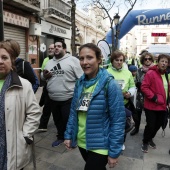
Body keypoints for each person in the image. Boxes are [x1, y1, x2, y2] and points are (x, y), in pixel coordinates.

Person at [64, 43, 126, 170]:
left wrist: (114, 151)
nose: (84, 62)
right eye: (81, 58)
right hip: (82, 141)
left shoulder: (110, 84)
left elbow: (118, 121)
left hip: (100, 145)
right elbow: (73, 112)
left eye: (89, 57)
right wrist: (69, 134)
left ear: (99, 59)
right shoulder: (80, 83)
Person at [0, 40, 41, 169]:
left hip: (13, 145)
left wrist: (25, 135)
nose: (0, 61)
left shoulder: (24, 85)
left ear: (12, 60)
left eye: (4, 57)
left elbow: (34, 113)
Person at [41, 40, 83, 147]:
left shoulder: (73, 60)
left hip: (68, 98)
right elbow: (42, 77)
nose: (56, 48)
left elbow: (81, 78)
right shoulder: (49, 62)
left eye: (59, 46)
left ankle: (71, 139)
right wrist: (44, 76)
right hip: (53, 98)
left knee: (68, 120)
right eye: (55, 46)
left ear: (64, 49)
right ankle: (60, 137)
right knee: (57, 120)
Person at [107, 50, 136, 150]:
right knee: (111, 125)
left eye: (121, 60)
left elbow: (133, 86)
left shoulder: (127, 73)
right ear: (112, 61)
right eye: (116, 60)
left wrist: (129, 93)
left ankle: (121, 142)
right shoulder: (106, 72)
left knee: (122, 126)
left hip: (124, 104)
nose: (119, 62)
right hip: (110, 105)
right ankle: (110, 141)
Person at [141, 54, 169, 153]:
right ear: (158, 62)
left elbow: (167, 89)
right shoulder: (151, 73)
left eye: (166, 62)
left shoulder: (166, 74)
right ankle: (145, 141)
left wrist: (168, 101)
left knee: (159, 125)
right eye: (162, 61)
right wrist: (154, 97)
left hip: (162, 106)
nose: (164, 63)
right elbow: (144, 87)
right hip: (151, 105)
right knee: (151, 125)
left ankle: (150, 138)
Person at [130, 52, 154, 136]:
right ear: (142, 60)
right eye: (145, 59)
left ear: (152, 60)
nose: (147, 60)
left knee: (150, 116)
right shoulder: (139, 70)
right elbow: (135, 81)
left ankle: (148, 133)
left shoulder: (155, 70)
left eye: (149, 59)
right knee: (137, 113)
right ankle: (136, 128)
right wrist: (137, 84)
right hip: (140, 95)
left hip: (150, 96)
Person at [38, 44, 55, 132]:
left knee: (57, 107)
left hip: (59, 88)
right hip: (48, 86)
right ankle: (43, 125)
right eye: (49, 48)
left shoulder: (60, 60)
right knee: (47, 106)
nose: (50, 49)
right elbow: (42, 72)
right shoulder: (46, 59)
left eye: (52, 48)